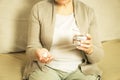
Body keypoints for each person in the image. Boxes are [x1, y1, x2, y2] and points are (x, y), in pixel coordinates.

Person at [23, 0, 104, 80]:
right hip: (46, 69)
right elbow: (31, 48)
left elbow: (98, 56)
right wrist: (37, 52)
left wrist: (90, 50)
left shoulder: (88, 12)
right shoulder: (38, 9)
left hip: (81, 71)